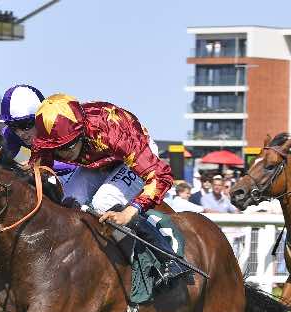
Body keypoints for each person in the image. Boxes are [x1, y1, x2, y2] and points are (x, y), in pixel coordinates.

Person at [29, 93, 183, 278]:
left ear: (81, 132)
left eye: (67, 146)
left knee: (103, 202)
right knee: (67, 201)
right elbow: (39, 170)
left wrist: (128, 212)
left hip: (133, 157)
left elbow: (160, 175)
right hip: (98, 161)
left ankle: (168, 257)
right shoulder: (47, 139)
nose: (61, 153)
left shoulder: (113, 133)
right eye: (55, 149)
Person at [0, 84, 74, 176]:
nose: (20, 133)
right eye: (13, 126)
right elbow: (22, 159)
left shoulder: (59, 128)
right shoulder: (9, 134)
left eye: (25, 125)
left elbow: (74, 164)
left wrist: (40, 163)